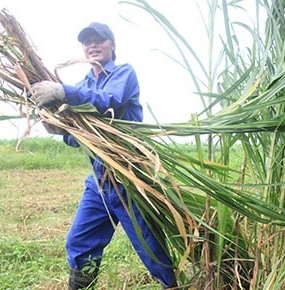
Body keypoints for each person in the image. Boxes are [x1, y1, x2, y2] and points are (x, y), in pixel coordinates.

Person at [30, 22, 177, 289]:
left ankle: (171, 286)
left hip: (128, 178)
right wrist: (59, 130)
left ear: (113, 45)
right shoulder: (83, 84)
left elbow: (109, 99)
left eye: (100, 40)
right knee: (79, 240)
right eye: (87, 42)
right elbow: (80, 136)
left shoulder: (123, 73)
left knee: (150, 248)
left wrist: (64, 92)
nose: (93, 45)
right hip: (99, 182)